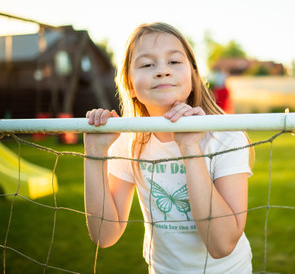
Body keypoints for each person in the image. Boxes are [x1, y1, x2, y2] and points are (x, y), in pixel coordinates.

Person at [83, 22, 253, 273]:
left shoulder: (226, 137)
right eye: (147, 64)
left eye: (174, 62)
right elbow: (104, 235)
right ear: (130, 84)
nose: (162, 71)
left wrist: (189, 147)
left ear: (193, 76)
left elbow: (221, 245)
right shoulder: (129, 142)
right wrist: (95, 154)